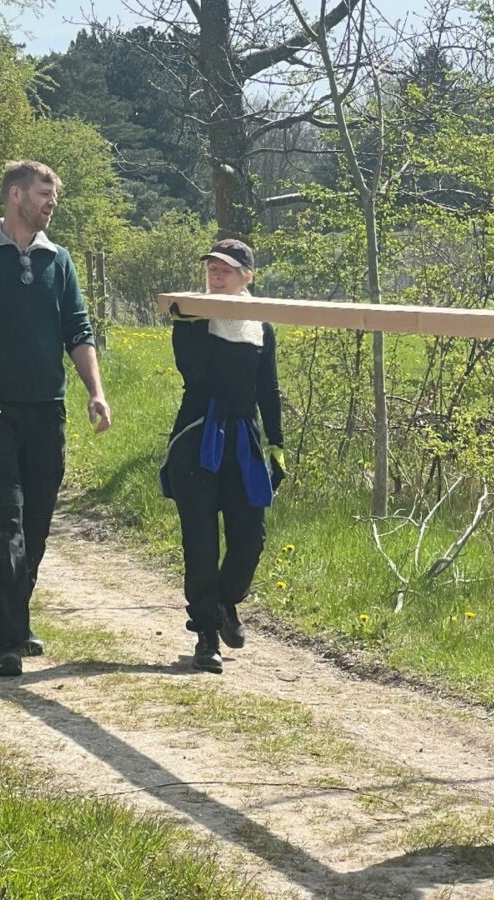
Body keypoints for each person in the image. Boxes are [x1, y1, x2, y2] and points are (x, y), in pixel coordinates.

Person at [0, 160, 111, 678]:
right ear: (15, 195)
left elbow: (77, 330)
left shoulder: (59, 261)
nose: (50, 204)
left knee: (35, 526)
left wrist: (96, 392)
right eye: (43, 194)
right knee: (6, 522)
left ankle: (11, 611)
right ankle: (8, 641)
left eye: (52, 197)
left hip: (47, 413)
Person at [160, 239, 285, 674]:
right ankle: (207, 638)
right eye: (212, 268)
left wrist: (278, 445)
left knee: (250, 538)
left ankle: (225, 602)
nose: (216, 275)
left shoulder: (262, 325)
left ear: (247, 276)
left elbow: (268, 389)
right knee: (201, 543)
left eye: (227, 269)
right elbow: (192, 372)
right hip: (198, 437)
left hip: (244, 441)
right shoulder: (192, 315)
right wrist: (193, 319)